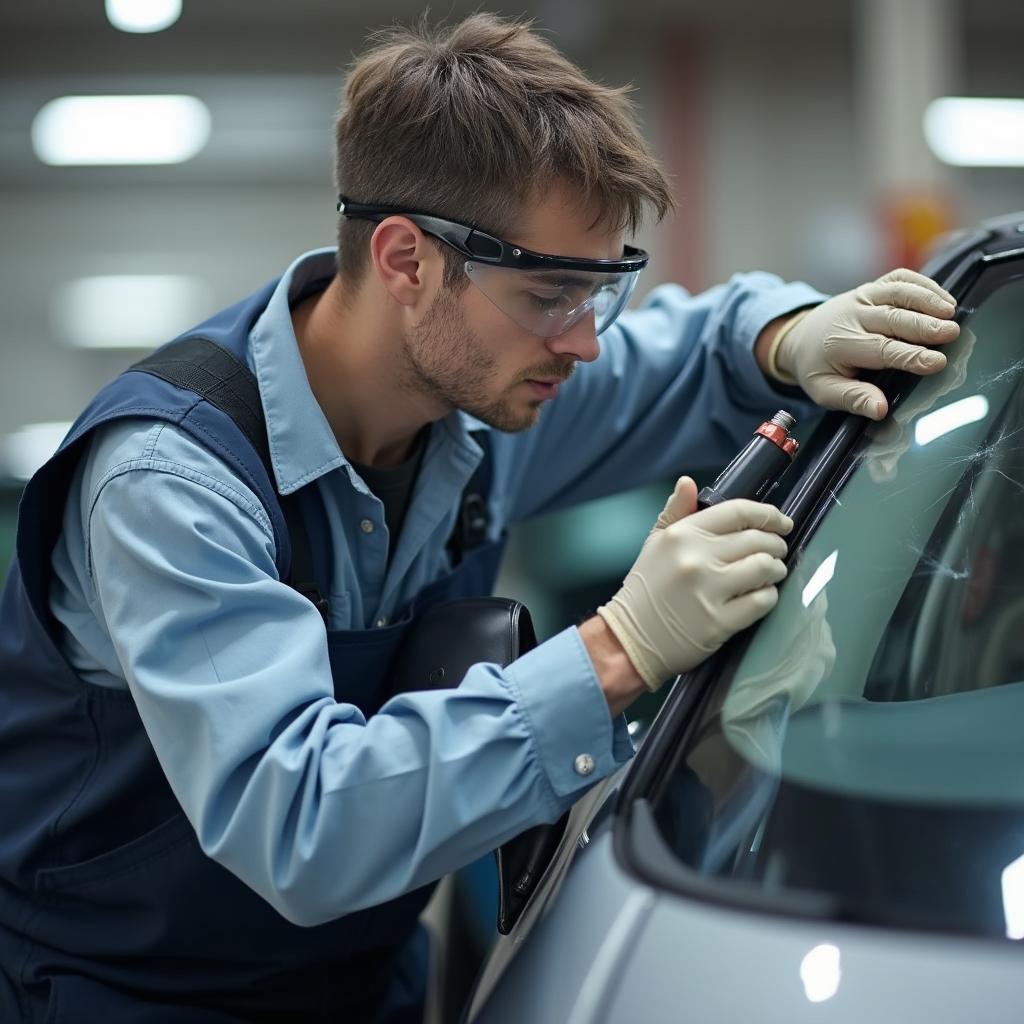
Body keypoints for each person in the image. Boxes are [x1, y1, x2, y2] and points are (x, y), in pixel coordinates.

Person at [0, 12, 961, 1023]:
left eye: (603, 290)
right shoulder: (172, 481)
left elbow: (695, 353)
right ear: (407, 260)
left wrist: (784, 333)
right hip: (122, 996)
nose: (583, 344)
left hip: (358, 986)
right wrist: (619, 647)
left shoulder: (480, 399)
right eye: (552, 293)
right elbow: (300, 821)